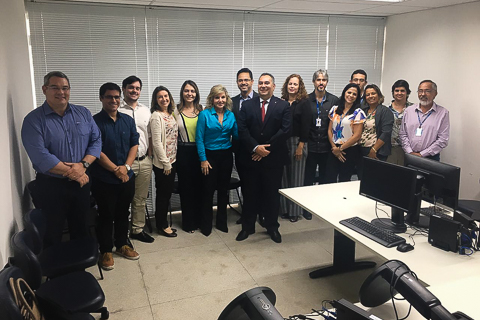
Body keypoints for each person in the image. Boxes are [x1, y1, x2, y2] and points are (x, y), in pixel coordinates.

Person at [21, 71, 101, 248]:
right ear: (44, 89)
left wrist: (83, 165)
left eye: (65, 88)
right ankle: (56, 273)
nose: (61, 92)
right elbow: (40, 155)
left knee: (81, 228)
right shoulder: (33, 120)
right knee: (52, 232)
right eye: (55, 87)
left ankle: (78, 270)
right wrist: (75, 172)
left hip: (81, 183)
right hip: (51, 185)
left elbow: (96, 141)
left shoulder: (83, 114)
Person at [236, 73, 291, 243]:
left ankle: (272, 227)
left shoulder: (283, 105)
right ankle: (247, 227)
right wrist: (255, 148)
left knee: (271, 195)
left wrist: (265, 148)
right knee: (250, 194)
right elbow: (242, 129)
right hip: (251, 158)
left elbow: (286, 130)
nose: (263, 86)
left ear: (273, 86)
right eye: (261, 83)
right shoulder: (247, 105)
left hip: (273, 158)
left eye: (267, 83)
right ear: (256, 85)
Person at [90, 82, 140, 270]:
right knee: (105, 215)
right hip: (104, 179)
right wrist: (115, 170)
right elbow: (96, 150)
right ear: (101, 98)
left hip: (127, 176)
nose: (114, 100)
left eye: (117, 97)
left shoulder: (127, 120)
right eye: (109, 97)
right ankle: (105, 250)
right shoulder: (94, 122)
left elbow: (134, 144)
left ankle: (122, 245)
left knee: (123, 212)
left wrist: (126, 167)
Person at [196, 85, 238, 236]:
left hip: (226, 156)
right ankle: (206, 225)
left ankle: (221, 222)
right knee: (207, 191)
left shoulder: (230, 115)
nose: (220, 100)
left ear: (226, 99)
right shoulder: (204, 115)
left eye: (222, 97)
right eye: (217, 97)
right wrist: (203, 159)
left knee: (223, 191)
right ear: (212, 99)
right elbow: (199, 138)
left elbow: (236, 135)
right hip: (209, 156)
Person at [118, 75, 155, 244]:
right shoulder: (116, 110)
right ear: (124, 89)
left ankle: (137, 229)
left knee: (140, 198)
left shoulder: (145, 110)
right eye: (131, 87)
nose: (134, 91)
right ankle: (120, 233)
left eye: (138, 88)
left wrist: (150, 156)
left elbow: (149, 135)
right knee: (122, 199)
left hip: (144, 160)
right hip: (124, 164)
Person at [303, 69, 339, 220]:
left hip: (327, 147)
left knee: (326, 178)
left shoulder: (334, 100)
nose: (321, 82)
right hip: (310, 146)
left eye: (323, 80)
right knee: (308, 178)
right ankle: (306, 208)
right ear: (313, 82)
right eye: (318, 80)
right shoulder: (306, 100)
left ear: (327, 82)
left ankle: (323, 207)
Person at [279, 74, 309, 223]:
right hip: (282, 143)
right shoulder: (281, 102)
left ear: (300, 87)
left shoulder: (304, 103)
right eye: (290, 83)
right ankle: (284, 209)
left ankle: (294, 212)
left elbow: (306, 125)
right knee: (283, 178)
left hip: (298, 142)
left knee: (296, 179)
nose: (292, 86)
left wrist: (301, 146)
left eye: (295, 84)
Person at [174, 80, 203, 233]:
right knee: (186, 189)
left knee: (199, 188)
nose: (189, 94)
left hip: (200, 152)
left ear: (196, 93)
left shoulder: (202, 110)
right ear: (182, 93)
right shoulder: (175, 111)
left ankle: (199, 220)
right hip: (183, 152)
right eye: (186, 91)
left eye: (192, 91)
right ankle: (188, 223)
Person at [150, 86, 178, 237]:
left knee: (166, 194)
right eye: (160, 97)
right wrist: (166, 163)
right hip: (163, 164)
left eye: (166, 96)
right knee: (163, 195)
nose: (164, 99)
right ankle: (162, 225)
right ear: (156, 100)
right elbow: (156, 143)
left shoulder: (170, 113)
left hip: (172, 161)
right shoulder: (156, 116)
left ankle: (162, 222)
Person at [231, 68, 258, 224]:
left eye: (246, 80)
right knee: (246, 185)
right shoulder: (232, 102)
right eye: (240, 80)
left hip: (257, 151)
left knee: (258, 184)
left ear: (252, 82)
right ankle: (247, 214)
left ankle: (260, 213)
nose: (243, 83)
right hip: (240, 151)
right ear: (237, 83)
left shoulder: (259, 100)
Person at [399, 80, 449, 161]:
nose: (423, 94)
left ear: (435, 93)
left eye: (427, 91)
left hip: (431, 157)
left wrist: (422, 154)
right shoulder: (409, 111)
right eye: (420, 91)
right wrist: (410, 152)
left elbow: (443, 139)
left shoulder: (443, 113)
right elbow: (403, 134)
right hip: (410, 155)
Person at [326, 83, 366, 183]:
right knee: (329, 178)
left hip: (349, 150)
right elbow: (329, 130)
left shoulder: (358, 112)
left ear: (357, 97)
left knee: (344, 179)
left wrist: (340, 149)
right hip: (333, 149)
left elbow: (357, 136)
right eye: (349, 92)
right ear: (344, 93)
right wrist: (335, 148)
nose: (351, 96)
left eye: (354, 94)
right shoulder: (334, 109)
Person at [360, 84, 394, 162]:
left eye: (373, 93)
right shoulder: (363, 111)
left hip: (377, 151)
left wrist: (374, 149)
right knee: (361, 174)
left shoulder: (385, 111)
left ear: (379, 95)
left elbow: (386, 133)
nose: (370, 96)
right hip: (361, 150)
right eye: (367, 95)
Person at [387, 80, 413, 165]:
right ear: (393, 92)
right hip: (390, 148)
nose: (399, 93)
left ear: (407, 93)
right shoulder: (386, 109)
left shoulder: (414, 109)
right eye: (396, 90)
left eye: (402, 91)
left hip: (409, 148)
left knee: (406, 175)